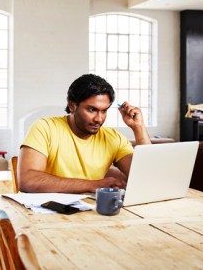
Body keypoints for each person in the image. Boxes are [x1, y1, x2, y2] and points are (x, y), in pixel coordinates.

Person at [18, 74, 152, 193]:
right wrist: (93, 185)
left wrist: (138, 128)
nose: (99, 119)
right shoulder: (44, 128)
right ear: (72, 105)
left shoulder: (113, 138)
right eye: (92, 109)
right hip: (45, 212)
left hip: (91, 213)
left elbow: (148, 176)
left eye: (104, 111)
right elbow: (28, 180)